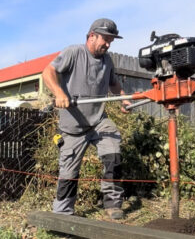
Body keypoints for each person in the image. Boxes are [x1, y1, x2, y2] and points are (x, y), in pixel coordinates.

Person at [42, 18, 131, 220]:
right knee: (68, 172)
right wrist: (59, 93)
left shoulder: (107, 60)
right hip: (72, 125)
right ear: (92, 36)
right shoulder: (74, 53)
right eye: (105, 40)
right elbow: (48, 71)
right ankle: (63, 213)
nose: (108, 44)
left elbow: (113, 84)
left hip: (99, 120)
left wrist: (123, 99)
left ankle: (113, 204)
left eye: (111, 41)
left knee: (113, 153)